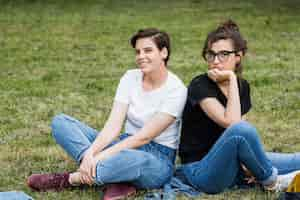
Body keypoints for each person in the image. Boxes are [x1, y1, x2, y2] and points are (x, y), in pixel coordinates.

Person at [27, 28, 187, 198]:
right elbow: (113, 125)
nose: (141, 56)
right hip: (124, 144)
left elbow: (144, 137)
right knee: (61, 122)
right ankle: (115, 179)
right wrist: (90, 154)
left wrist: (98, 157)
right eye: (138, 51)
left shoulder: (176, 90)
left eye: (148, 50)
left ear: (164, 52)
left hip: (157, 160)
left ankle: (70, 179)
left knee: (131, 159)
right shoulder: (130, 77)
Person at [177, 19, 300, 194]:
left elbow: (242, 138)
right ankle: (272, 183)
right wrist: (232, 78)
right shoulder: (200, 85)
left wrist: (249, 163)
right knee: (243, 129)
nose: (216, 60)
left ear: (238, 56)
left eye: (223, 54)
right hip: (202, 172)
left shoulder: (243, 87)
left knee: (297, 160)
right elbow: (234, 125)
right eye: (211, 54)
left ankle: (267, 174)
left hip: (235, 166)